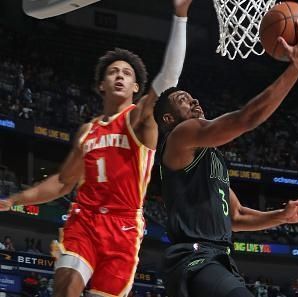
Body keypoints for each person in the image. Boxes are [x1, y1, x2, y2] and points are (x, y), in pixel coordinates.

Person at [0, 0, 192, 296]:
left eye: (126, 74)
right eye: (113, 72)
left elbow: (168, 81)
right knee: (66, 287)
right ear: (101, 84)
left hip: (124, 227)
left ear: (135, 88)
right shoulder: (87, 132)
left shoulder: (140, 119)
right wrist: (15, 200)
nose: (119, 76)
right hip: (85, 219)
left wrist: (180, 15)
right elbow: (63, 182)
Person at [154, 19, 298, 297]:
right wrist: (296, 68)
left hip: (217, 261)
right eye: (184, 99)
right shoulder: (180, 135)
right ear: (169, 118)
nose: (195, 101)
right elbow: (246, 118)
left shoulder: (212, 158)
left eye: (194, 98)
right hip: (195, 259)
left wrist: (282, 215)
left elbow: (237, 215)